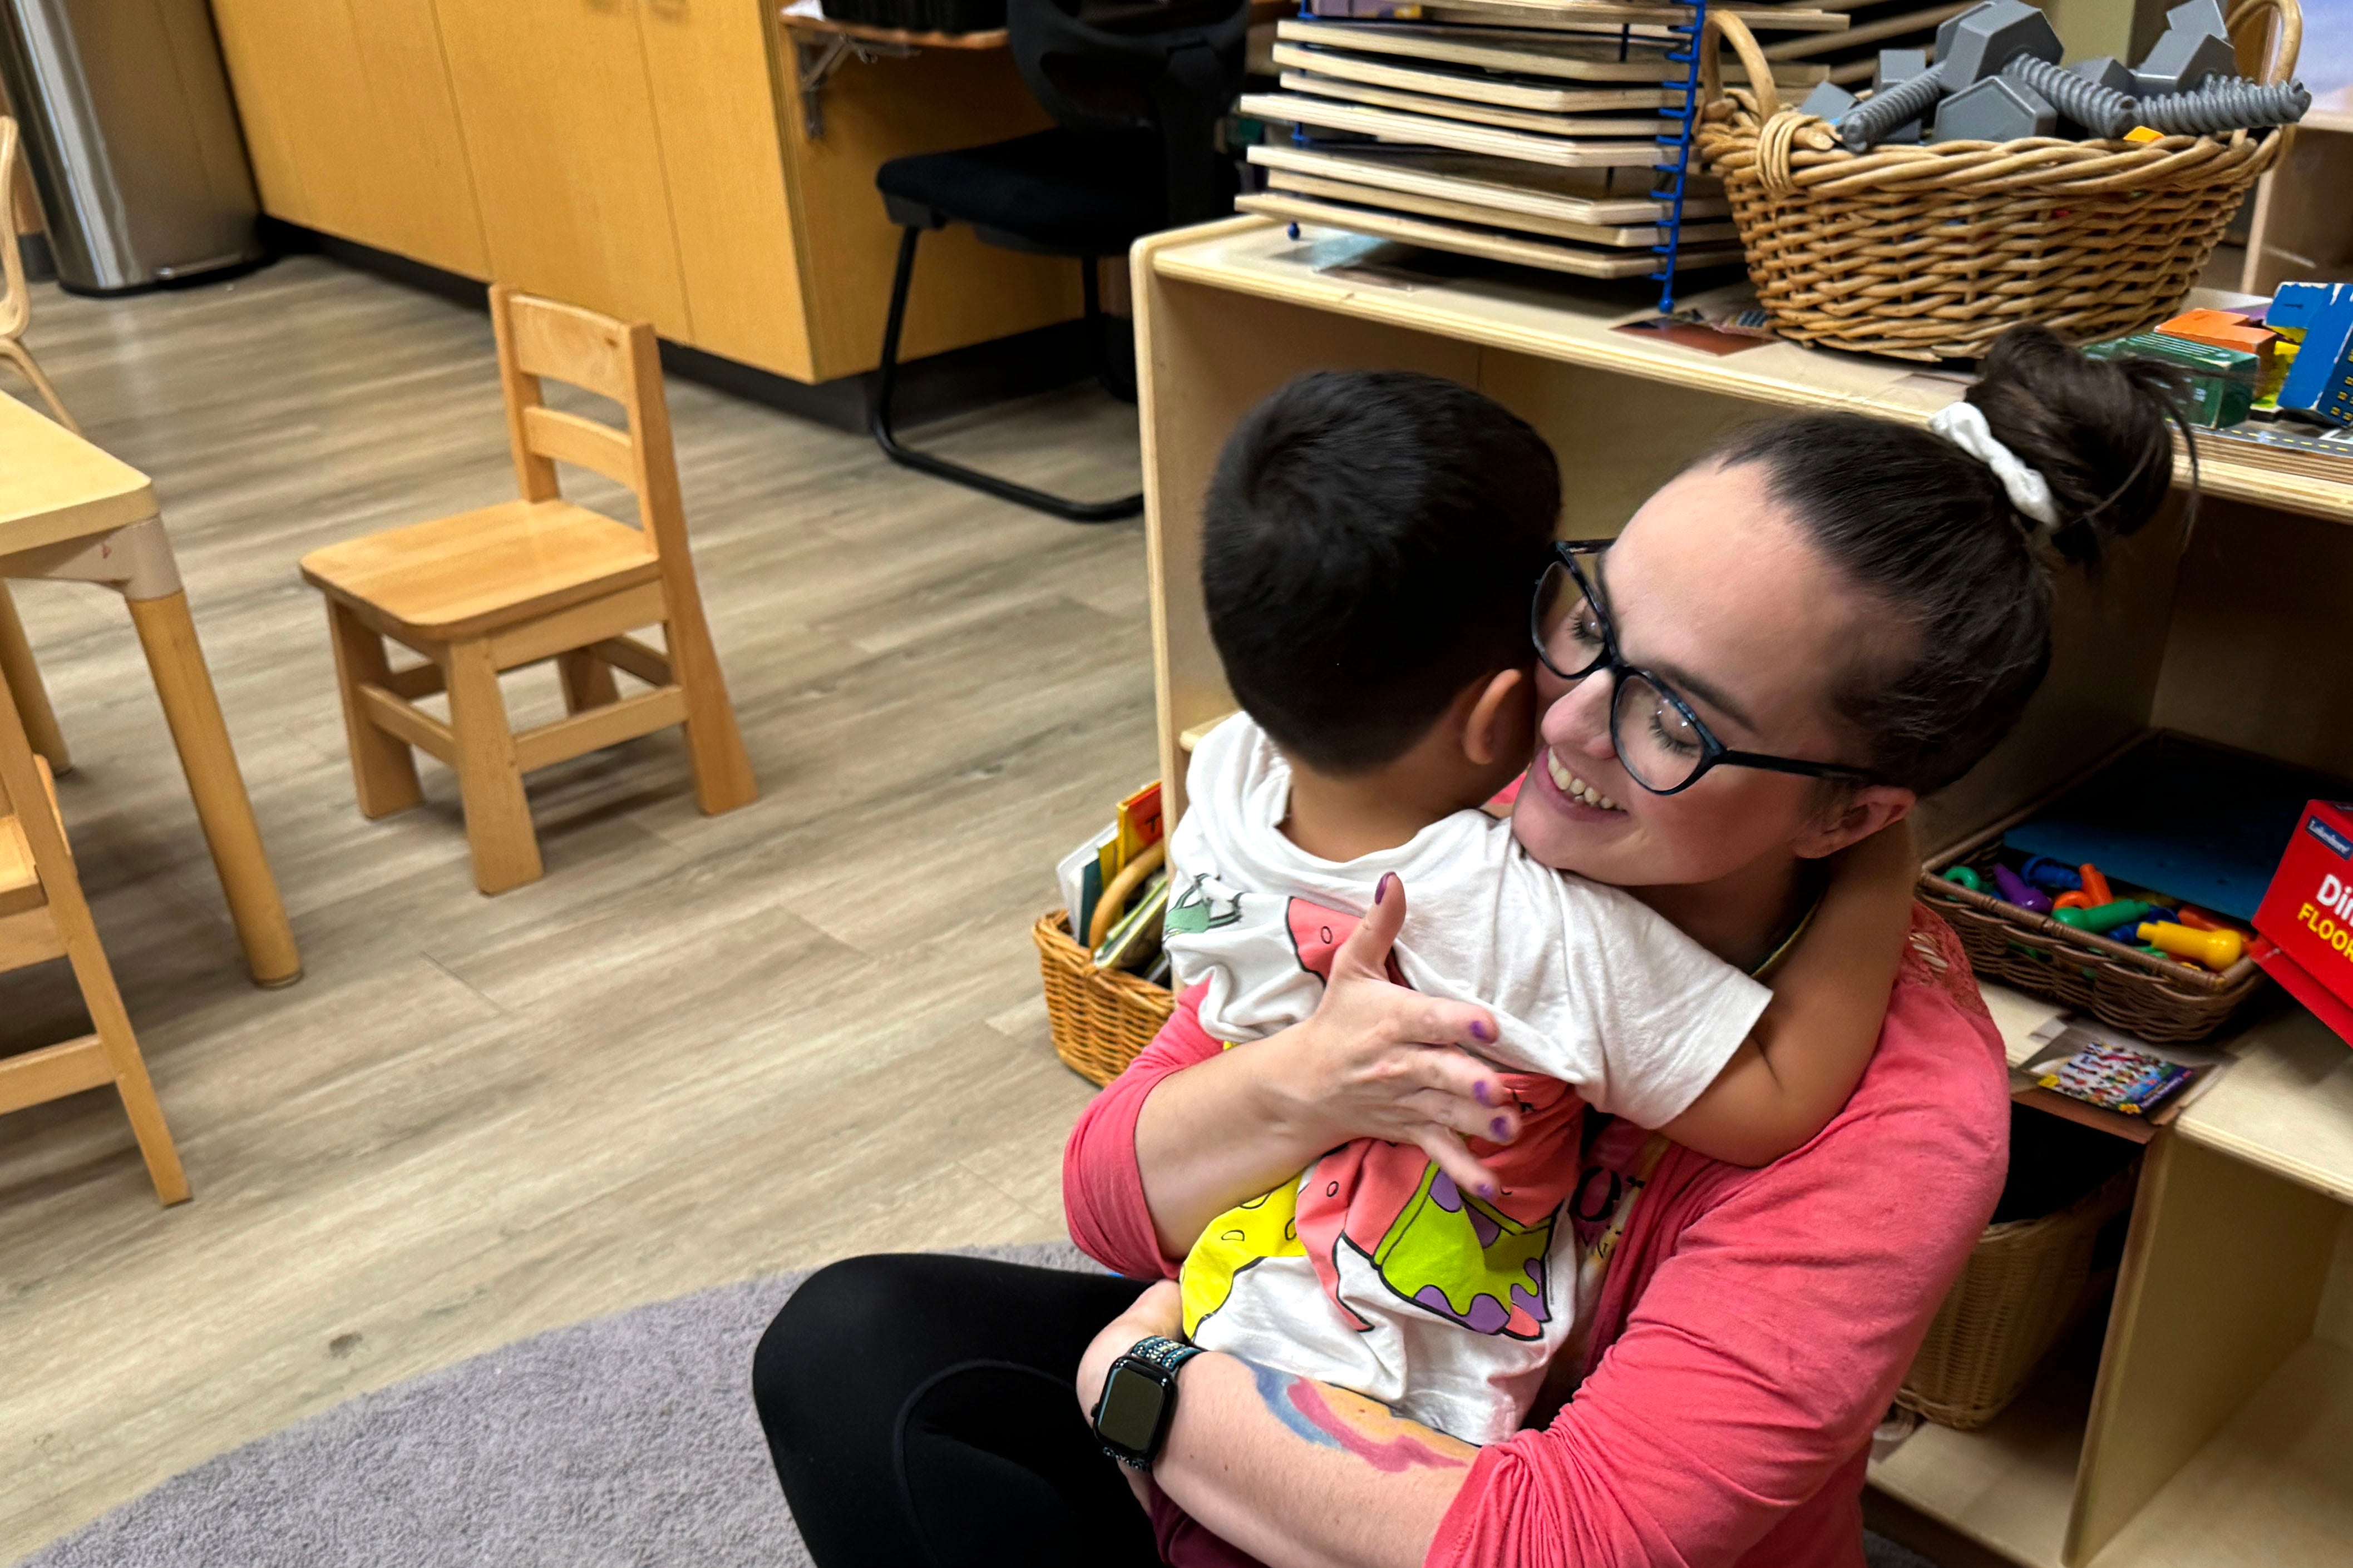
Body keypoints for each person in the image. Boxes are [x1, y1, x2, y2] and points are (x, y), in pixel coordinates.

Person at [751, 325, 2188, 1568]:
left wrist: (1145, 1381)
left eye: (1670, 718)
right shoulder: (1465, 827)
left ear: (1851, 810)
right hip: (1340, 1370)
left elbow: (1565, 1539)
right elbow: (1107, 1197)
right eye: (1589, 618)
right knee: (856, 1349)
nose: (1557, 727)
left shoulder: (1897, 1104)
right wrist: (1309, 1076)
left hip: (1500, 1507)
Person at [1163, 371, 1914, 1448]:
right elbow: (1779, 1096)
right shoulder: (1522, 926)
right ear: (1502, 714)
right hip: (1392, 1416)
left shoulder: (1232, 785)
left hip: (1216, 1309)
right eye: (1571, 616)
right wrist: (1880, 857)